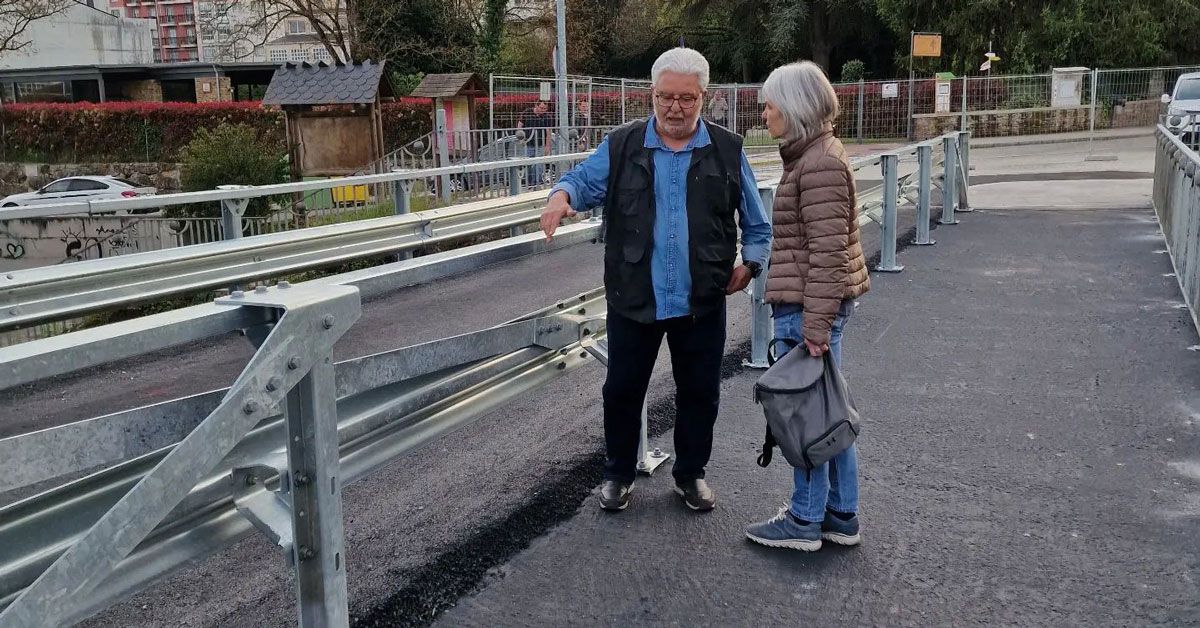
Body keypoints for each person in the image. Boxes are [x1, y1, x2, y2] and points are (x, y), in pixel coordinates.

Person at [540, 48, 772, 512]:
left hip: (701, 299)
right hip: (634, 296)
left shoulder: (727, 148)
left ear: (703, 97)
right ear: (652, 94)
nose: (674, 107)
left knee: (700, 392)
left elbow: (758, 224)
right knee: (622, 390)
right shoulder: (624, 144)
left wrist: (752, 264)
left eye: (686, 98)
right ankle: (618, 474)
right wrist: (561, 196)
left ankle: (690, 474)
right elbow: (583, 180)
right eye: (665, 96)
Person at [745, 61, 871, 551]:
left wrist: (814, 328)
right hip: (811, 306)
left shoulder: (817, 164)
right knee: (829, 412)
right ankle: (840, 514)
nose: (764, 112)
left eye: (771, 103)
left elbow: (827, 255)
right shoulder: (813, 156)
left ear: (794, 107)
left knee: (808, 418)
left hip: (807, 309)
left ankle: (804, 519)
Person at [518, 100, 554, 184]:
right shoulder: (527, 112)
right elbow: (520, 125)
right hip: (528, 144)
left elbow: (549, 132)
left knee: (539, 165)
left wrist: (547, 146)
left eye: (545, 109)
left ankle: (537, 183)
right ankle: (529, 183)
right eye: (541, 108)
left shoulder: (547, 117)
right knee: (527, 165)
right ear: (536, 106)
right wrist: (521, 138)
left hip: (541, 145)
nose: (543, 110)